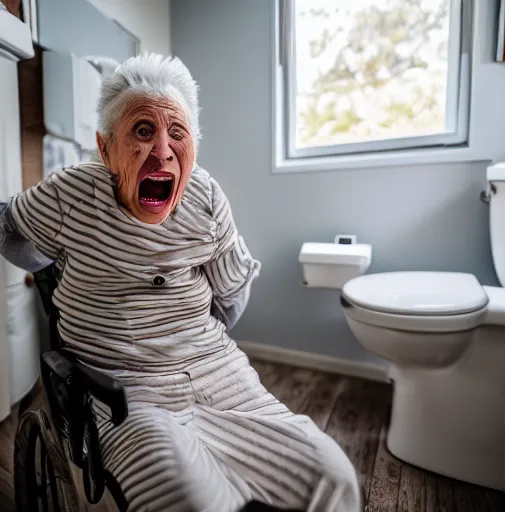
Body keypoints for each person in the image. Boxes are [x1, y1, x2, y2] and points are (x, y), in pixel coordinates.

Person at [0, 53, 361, 512]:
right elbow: (9, 228)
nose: (164, 150)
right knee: (193, 498)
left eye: (177, 133)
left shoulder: (205, 197)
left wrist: (191, 340)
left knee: (332, 474)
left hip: (219, 375)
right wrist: (46, 260)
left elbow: (230, 295)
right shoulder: (71, 192)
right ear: (106, 149)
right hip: (125, 387)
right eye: (143, 131)